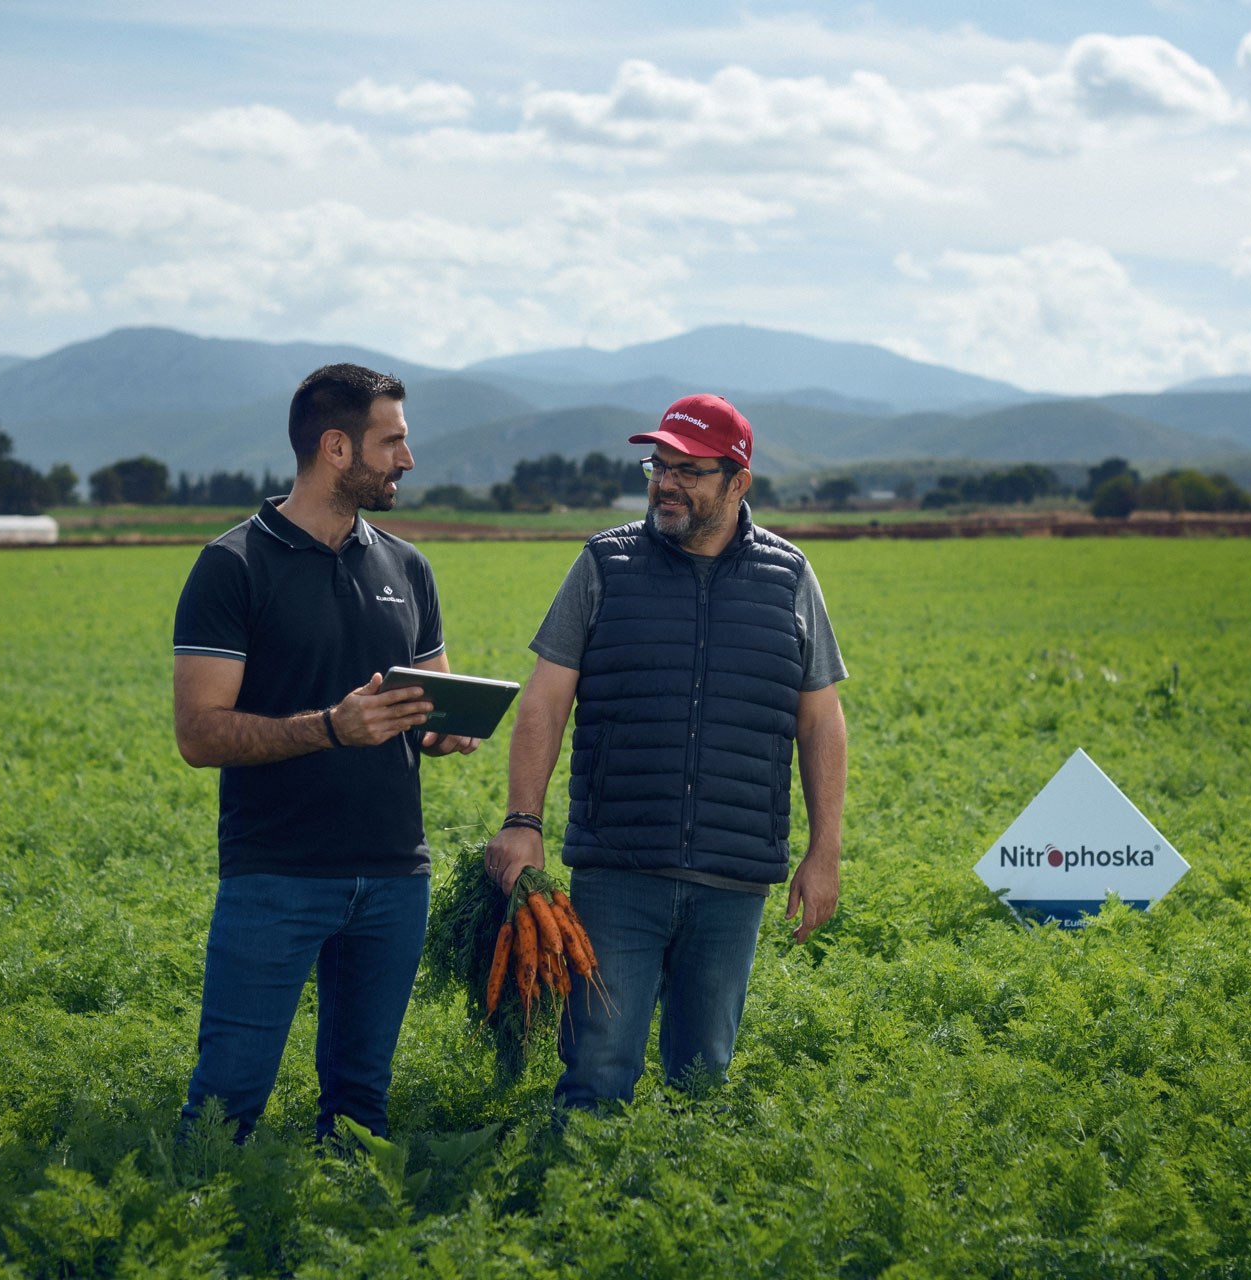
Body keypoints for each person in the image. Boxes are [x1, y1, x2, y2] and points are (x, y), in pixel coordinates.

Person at [484, 393, 848, 1112]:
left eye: (690, 469)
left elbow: (821, 722)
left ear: (738, 482)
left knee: (704, 1077)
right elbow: (546, 699)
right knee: (597, 1070)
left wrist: (825, 850)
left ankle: (681, 1211)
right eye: (659, 464)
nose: (666, 482)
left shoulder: (790, 577)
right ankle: (580, 1211)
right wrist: (522, 818)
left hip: (734, 878)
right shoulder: (605, 563)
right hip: (619, 872)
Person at [171, 362, 478, 1144]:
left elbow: (430, 703)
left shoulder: (408, 567)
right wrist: (329, 727)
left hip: (394, 877)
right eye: (393, 441)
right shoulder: (234, 565)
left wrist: (446, 727)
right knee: (224, 1105)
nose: (407, 459)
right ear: (336, 447)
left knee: (360, 1111)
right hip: (275, 874)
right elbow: (200, 733)